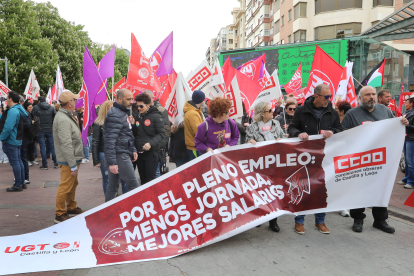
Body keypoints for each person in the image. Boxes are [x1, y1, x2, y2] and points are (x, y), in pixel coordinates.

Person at [341, 86, 409, 233]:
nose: (371, 97)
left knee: (381, 189)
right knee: (358, 189)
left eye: (373, 94)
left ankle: (380, 220)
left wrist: (403, 123)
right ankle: (358, 219)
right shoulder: (352, 114)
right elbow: (342, 133)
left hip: (381, 159)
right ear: (360, 98)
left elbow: (395, 127)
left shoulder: (385, 111)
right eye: (367, 95)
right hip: (361, 160)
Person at [288, 84, 343, 235]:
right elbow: (291, 128)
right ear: (317, 96)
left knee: (321, 189)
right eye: (326, 96)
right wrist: (299, 133)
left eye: (330, 96)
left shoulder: (332, 111)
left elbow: (339, 129)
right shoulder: (301, 110)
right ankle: (299, 222)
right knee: (303, 188)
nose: (329, 99)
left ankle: (320, 221)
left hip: (324, 156)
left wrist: (332, 131)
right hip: (305, 157)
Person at [246, 101, 285, 232]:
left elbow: (283, 138)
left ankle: (273, 221)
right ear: (262, 113)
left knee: (273, 193)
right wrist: (249, 142)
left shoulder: (276, 124)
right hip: (259, 166)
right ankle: (259, 217)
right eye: (269, 111)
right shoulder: (252, 127)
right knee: (259, 191)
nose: (272, 112)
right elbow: (247, 144)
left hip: (274, 165)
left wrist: (281, 140)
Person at [53, 91, 85, 223]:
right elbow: (66, 143)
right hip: (68, 159)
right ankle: (60, 213)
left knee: (72, 184)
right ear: (68, 103)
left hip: (71, 157)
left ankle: (71, 207)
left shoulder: (66, 115)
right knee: (66, 185)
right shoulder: (62, 119)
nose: (76, 102)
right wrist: (72, 164)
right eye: (74, 100)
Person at [104, 89, 139, 202]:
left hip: (121, 153)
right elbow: (110, 140)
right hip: (120, 155)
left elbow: (127, 134)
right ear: (119, 99)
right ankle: (135, 213)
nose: (131, 102)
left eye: (132, 99)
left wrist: (132, 149)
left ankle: (107, 213)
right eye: (128, 99)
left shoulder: (122, 113)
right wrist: (112, 162)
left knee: (112, 186)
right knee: (134, 185)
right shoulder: (115, 114)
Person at [92, 100, 128, 194]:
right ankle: (110, 203)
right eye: (112, 108)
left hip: (119, 153)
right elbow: (95, 141)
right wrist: (96, 160)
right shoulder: (98, 123)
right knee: (108, 179)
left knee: (124, 178)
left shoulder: (120, 120)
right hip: (104, 154)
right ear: (105, 109)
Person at [132, 93, 165, 184]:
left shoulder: (156, 116)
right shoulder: (138, 116)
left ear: (148, 105)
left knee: (150, 179)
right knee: (143, 178)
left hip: (151, 153)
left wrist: (150, 143)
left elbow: (162, 134)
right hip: (140, 153)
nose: (139, 108)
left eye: (141, 106)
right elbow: (136, 133)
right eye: (137, 106)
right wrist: (133, 124)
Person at [0, 91, 29, 191]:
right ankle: (21, 182)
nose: (6, 99)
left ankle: (18, 184)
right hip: (16, 139)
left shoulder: (13, 111)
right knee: (18, 161)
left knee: (16, 163)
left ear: (11, 99)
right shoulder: (18, 109)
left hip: (11, 140)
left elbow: (8, 127)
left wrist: (2, 138)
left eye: (7, 98)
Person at [142, 90, 171, 178]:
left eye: (148, 98)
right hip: (144, 147)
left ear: (152, 98)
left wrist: (160, 145)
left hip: (156, 147)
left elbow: (166, 130)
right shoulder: (140, 110)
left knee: (156, 171)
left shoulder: (161, 110)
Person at [333, 100, 353, 218]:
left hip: (347, 154)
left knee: (344, 179)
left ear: (342, 112)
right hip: (334, 154)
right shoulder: (334, 121)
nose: (335, 111)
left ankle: (343, 205)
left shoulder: (351, 122)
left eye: (337, 109)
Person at [32, 96, 58, 170]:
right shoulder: (51, 107)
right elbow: (55, 117)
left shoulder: (36, 107)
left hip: (40, 129)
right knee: (52, 146)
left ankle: (44, 164)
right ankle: (56, 163)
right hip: (50, 128)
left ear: (39, 101)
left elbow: (32, 116)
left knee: (42, 147)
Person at [184, 90, 205, 160]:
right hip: (194, 147)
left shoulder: (195, 111)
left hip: (195, 146)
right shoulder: (193, 113)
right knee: (198, 169)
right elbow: (198, 131)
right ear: (201, 100)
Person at [401, 95, 414, 190]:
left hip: (411, 139)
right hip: (405, 138)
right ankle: (406, 178)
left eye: (406, 103)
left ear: (411, 104)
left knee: (410, 161)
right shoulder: (405, 112)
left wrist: (408, 125)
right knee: (406, 160)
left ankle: (411, 181)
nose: (405, 104)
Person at [20, 100, 33, 186]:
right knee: (21, 158)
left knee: (23, 158)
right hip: (21, 138)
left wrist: (17, 124)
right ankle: (22, 177)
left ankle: (25, 177)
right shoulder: (24, 112)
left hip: (23, 139)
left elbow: (28, 124)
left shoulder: (25, 113)